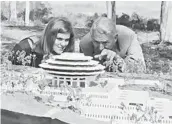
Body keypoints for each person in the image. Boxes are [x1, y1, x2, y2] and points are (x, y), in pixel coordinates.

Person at [80, 17, 146, 73]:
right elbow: (84, 73)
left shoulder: (129, 36)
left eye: (105, 43)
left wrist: (116, 59)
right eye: (96, 42)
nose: (100, 48)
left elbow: (140, 70)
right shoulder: (85, 44)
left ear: (115, 38)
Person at [9, 17, 75, 67]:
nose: (63, 44)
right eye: (59, 39)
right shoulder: (26, 47)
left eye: (66, 40)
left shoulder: (67, 53)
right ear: (49, 37)